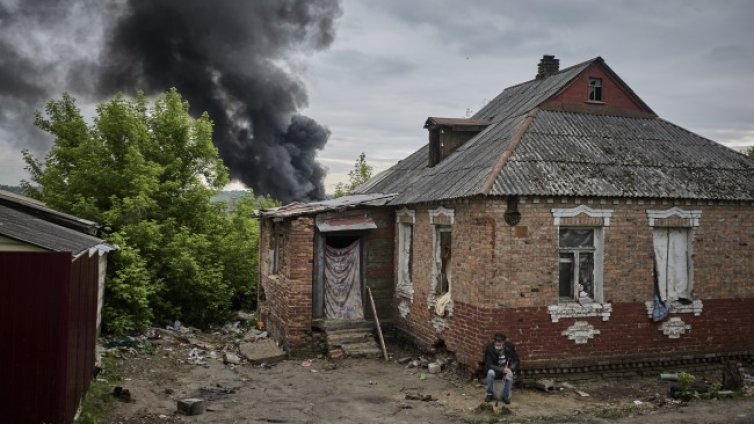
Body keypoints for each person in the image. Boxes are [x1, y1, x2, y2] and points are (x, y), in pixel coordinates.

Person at [484, 333, 519, 403]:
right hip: (495, 370)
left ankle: (505, 397)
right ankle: (489, 394)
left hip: (506, 369)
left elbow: (516, 360)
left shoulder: (509, 347)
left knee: (510, 375)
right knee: (490, 373)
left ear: (503, 342)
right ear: (494, 341)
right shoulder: (489, 349)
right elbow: (489, 364)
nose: (498, 344)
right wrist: (501, 369)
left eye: (500, 343)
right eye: (496, 342)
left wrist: (511, 369)